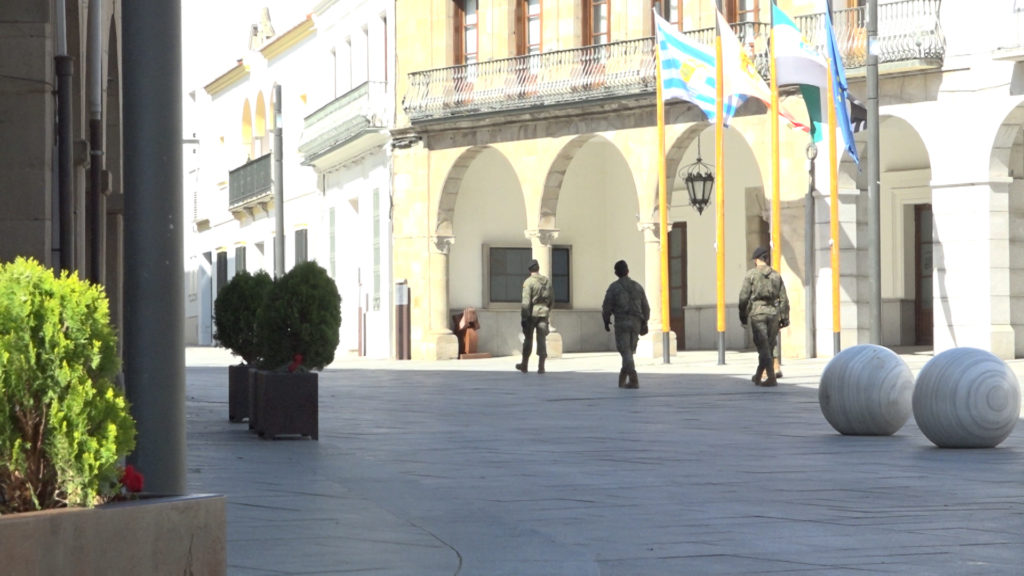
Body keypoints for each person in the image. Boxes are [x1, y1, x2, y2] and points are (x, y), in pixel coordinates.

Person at [738, 246, 790, 387]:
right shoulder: (776, 275)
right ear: (766, 259)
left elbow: (743, 297)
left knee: (763, 347)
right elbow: (784, 299)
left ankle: (771, 377)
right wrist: (784, 318)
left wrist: (743, 315)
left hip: (758, 314)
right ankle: (758, 375)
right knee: (769, 345)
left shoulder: (751, 275)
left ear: (756, 260)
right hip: (773, 313)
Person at [601, 260, 650, 389]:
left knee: (625, 350)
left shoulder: (614, 288)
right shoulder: (638, 287)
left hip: (622, 322)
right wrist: (645, 322)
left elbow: (606, 306)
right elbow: (646, 307)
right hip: (636, 322)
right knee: (629, 351)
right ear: (628, 271)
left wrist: (606, 320)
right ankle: (622, 379)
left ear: (616, 273)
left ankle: (633, 379)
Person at [516, 259, 553, 374]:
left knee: (528, 339)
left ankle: (524, 364)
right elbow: (552, 299)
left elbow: (526, 302)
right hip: (544, 313)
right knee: (542, 339)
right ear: (538, 268)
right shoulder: (547, 281)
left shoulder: (528, 282)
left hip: (532, 314)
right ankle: (541, 367)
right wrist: (547, 310)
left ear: (529, 270)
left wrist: (524, 317)